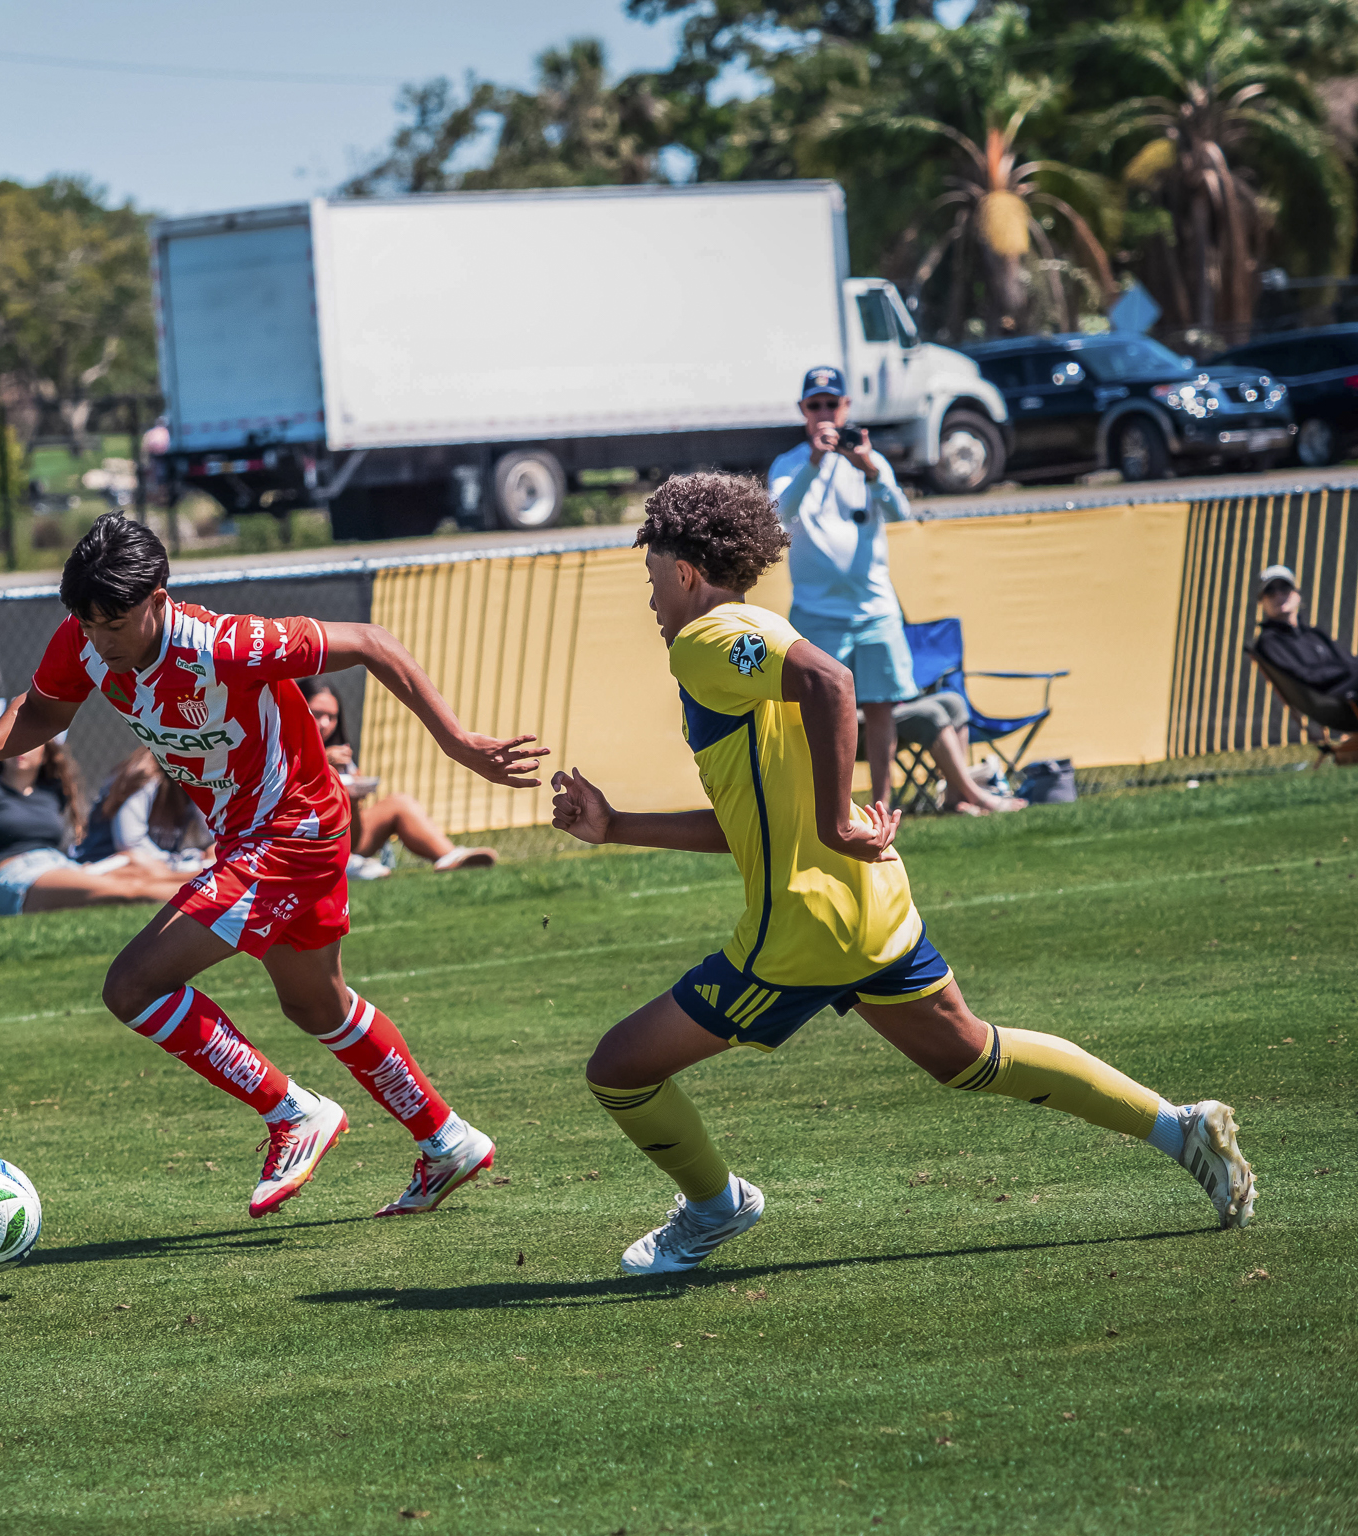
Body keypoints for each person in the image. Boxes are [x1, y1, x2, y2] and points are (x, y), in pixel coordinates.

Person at [550, 471, 1254, 1276]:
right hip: (871, 903)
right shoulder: (745, 636)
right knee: (972, 1055)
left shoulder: (705, 641)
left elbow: (832, 680)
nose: (649, 601)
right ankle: (1179, 1126)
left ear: (682, 572)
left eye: (649, 580)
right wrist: (617, 828)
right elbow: (758, 826)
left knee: (618, 1070)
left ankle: (716, 1206)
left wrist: (831, 820)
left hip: (802, 932)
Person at [0, 516, 545, 1219]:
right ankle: (447, 1138)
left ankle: (292, 1114)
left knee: (131, 986)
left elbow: (371, 643)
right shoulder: (88, 639)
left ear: (159, 597)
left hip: (292, 835)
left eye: (114, 623)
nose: (98, 639)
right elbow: (42, 709)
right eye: (87, 623)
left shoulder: (225, 644)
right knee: (314, 1003)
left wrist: (456, 742)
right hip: (254, 838)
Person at [768, 366, 921, 812]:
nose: (824, 414)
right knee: (820, 713)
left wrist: (869, 467)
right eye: (815, 406)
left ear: (847, 407)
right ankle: (829, 806)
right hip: (816, 612)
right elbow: (779, 513)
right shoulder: (790, 463)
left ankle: (882, 805)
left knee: (880, 710)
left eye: (832, 404)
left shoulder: (867, 458)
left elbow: (900, 512)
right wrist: (816, 462)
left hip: (875, 609)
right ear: (802, 411)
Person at [0, 740, 191, 925]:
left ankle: (212, 886)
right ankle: (208, 900)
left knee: (137, 870)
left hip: (60, 865)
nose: (21, 751)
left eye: (30, 744)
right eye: (13, 744)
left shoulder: (51, 792)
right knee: (126, 890)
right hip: (19, 877)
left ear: (46, 752)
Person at [300, 678, 498, 875]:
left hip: (347, 835)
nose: (324, 723)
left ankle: (450, 856)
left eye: (332, 716)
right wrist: (323, 762)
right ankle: (347, 864)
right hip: (303, 839)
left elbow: (353, 822)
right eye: (316, 714)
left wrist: (355, 792)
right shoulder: (280, 746)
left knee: (398, 802)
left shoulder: (342, 752)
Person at [1254, 563, 1358, 764]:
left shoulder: (1313, 634)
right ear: (1262, 601)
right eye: (1270, 591)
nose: (1278, 595)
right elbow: (1305, 676)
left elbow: (1348, 661)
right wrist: (1346, 670)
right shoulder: (1270, 641)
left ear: (1296, 595)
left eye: (1284, 588)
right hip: (1330, 703)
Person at [866, 691, 1025, 815]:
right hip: (863, 714)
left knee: (954, 702)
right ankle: (976, 796)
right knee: (932, 714)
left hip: (895, 704)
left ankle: (954, 799)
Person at [73, 748, 214, 872]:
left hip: (156, 866)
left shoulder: (195, 780)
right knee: (138, 862)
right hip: (105, 862)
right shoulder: (144, 774)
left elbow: (214, 834)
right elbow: (129, 844)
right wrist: (175, 864)